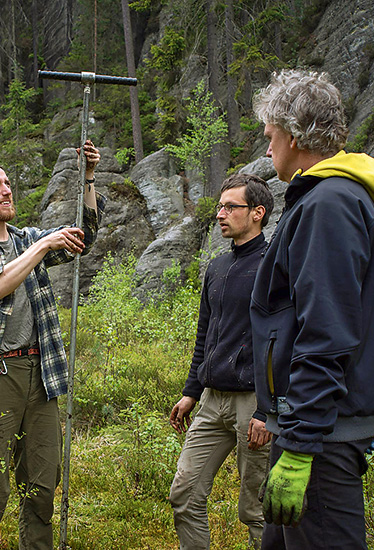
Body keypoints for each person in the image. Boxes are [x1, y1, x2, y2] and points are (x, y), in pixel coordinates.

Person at [250, 69, 374, 549]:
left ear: (293, 137)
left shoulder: (329, 204)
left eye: (270, 136)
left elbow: (326, 331)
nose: (267, 149)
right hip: (310, 425)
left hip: (320, 436)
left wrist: (299, 447)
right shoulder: (324, 198)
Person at [0, 141, 105, 550]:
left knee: (41, 486)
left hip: (43, 374)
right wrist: (42, 246)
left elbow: (83, 236)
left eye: (7, 183)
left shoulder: (28, 239)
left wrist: (88, 177)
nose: (6, 190)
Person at [168, 173, 275, 549]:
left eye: (231, 207)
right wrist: (191, 391)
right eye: (219, 206)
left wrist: (268, 410)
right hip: (212, 400)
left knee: (257, 509)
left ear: (258, 213)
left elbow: (282, 342)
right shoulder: (216, 267)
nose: (220, 214)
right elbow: (205, 334)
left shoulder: (275, 265)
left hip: (255, 402)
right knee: (184, 493)